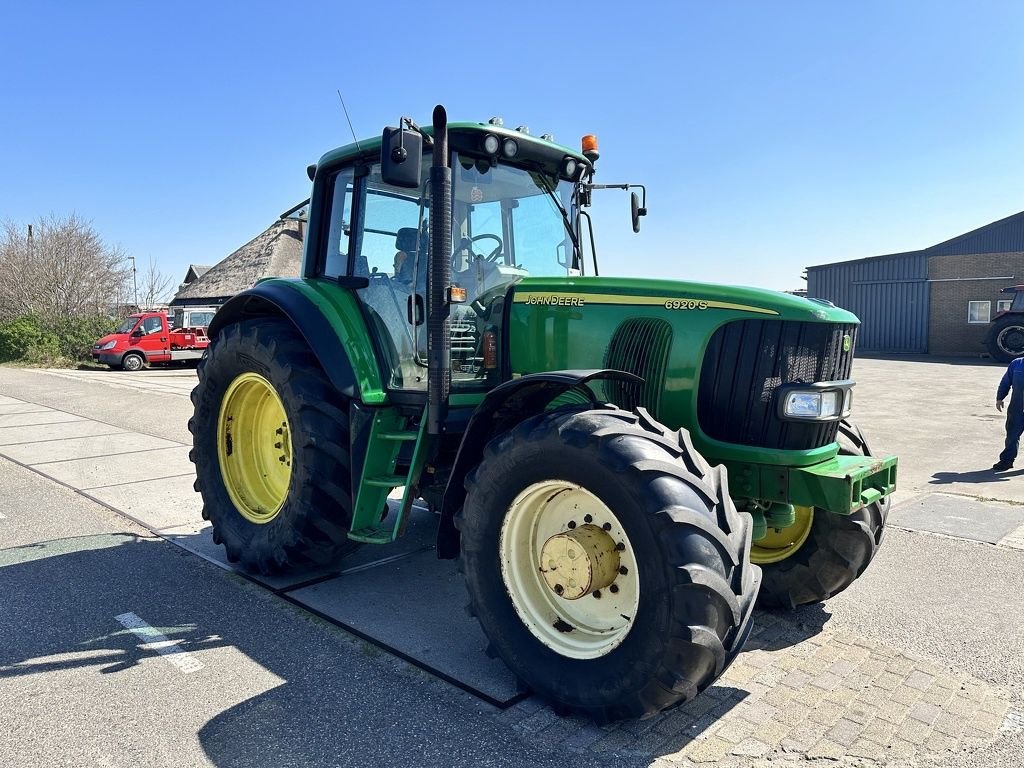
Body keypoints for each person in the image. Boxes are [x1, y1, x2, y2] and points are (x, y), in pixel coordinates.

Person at [994, 356, 1024, 471]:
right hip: (1017, 407)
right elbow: (1006, 381)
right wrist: (1000, 398)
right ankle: (1007, 461)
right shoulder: (1017, 364)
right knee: (1012, 435)